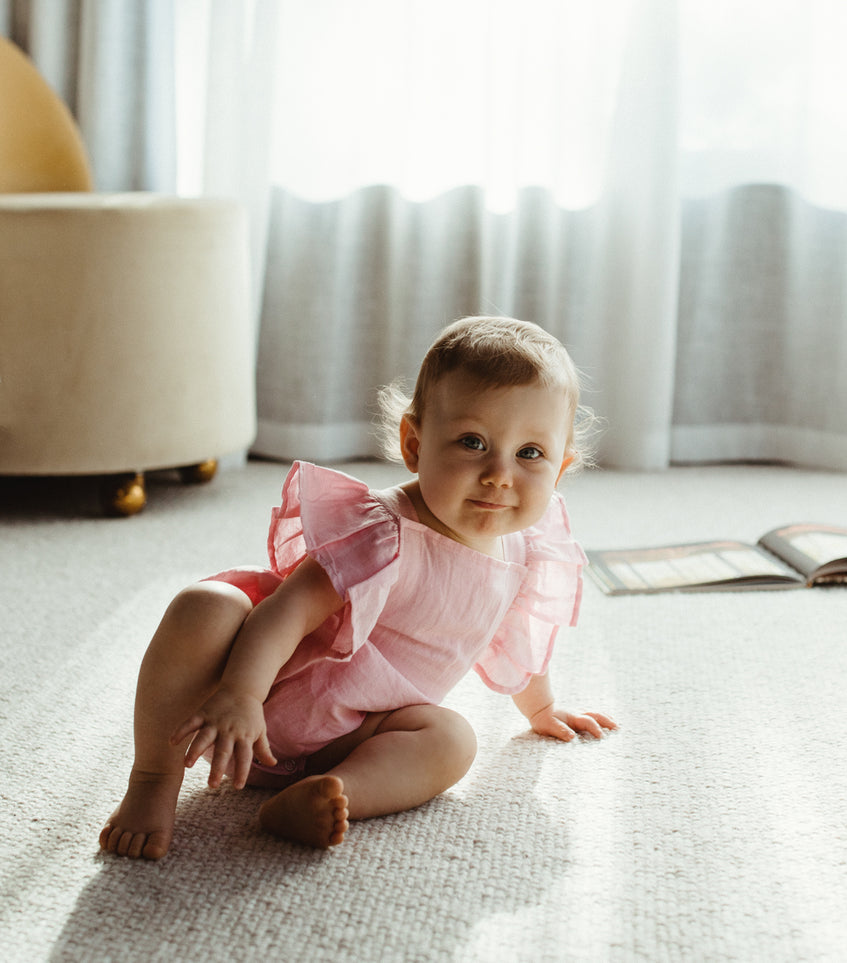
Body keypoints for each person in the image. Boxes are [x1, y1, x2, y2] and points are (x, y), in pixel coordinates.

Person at [99, 316, 616, 860]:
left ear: (561, 467)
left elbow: (515, 637)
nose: (499, 474)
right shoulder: (381, 530)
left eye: (530, 454)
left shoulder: (528, 550)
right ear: (414, 444)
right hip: (247, 710)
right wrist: (241, 694)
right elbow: (289, 611)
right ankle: (153, 779)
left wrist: (541, 708)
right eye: (472, 442)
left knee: (453, 740)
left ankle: (329, 794)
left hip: (359, 734)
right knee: (204, 605)